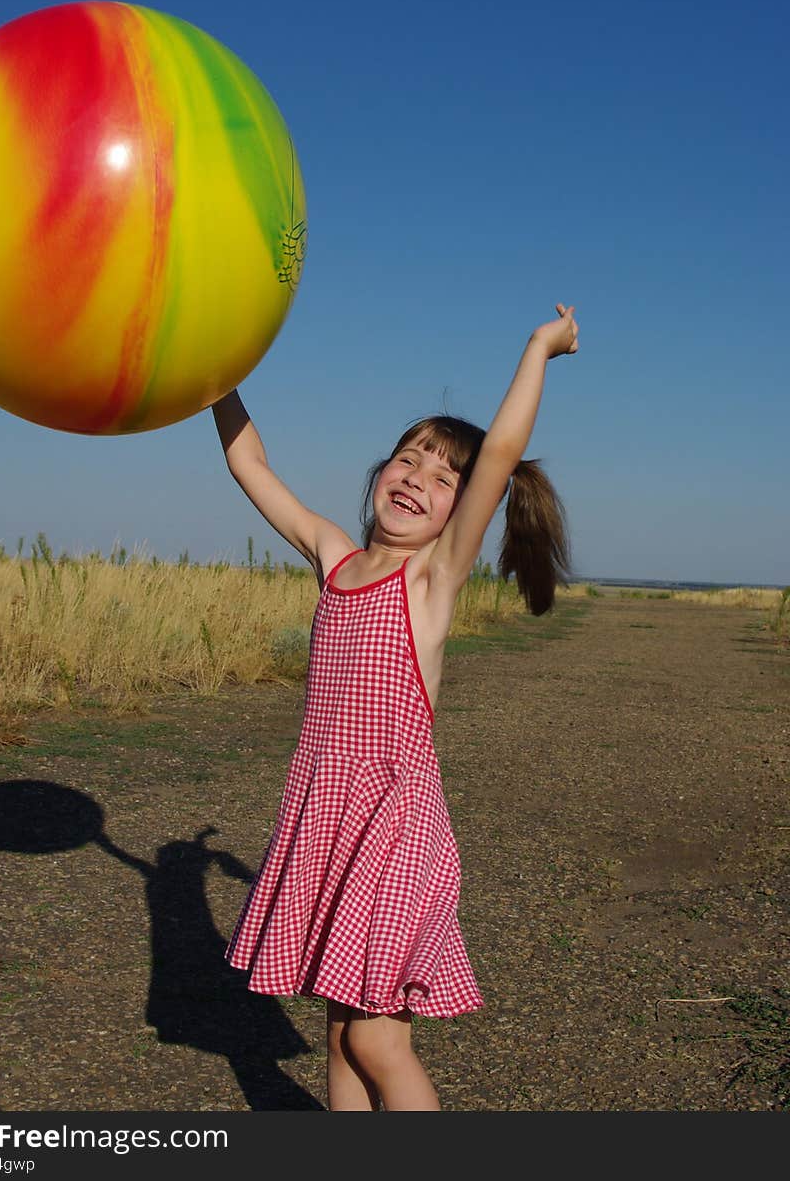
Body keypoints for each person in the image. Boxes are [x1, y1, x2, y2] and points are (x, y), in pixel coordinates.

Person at [211, 302, 580, 1110]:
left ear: (460, 511)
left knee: (378, 1036)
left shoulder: (431, 580)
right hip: (329, 816)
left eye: (444, 476)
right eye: (408, 460)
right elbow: (251, 467)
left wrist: (538, 349)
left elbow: (503, 454)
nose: (419, 477)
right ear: (379, 471)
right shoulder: (335, 559)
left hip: (396, 826)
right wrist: (212, 376)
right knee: (343, 1031)